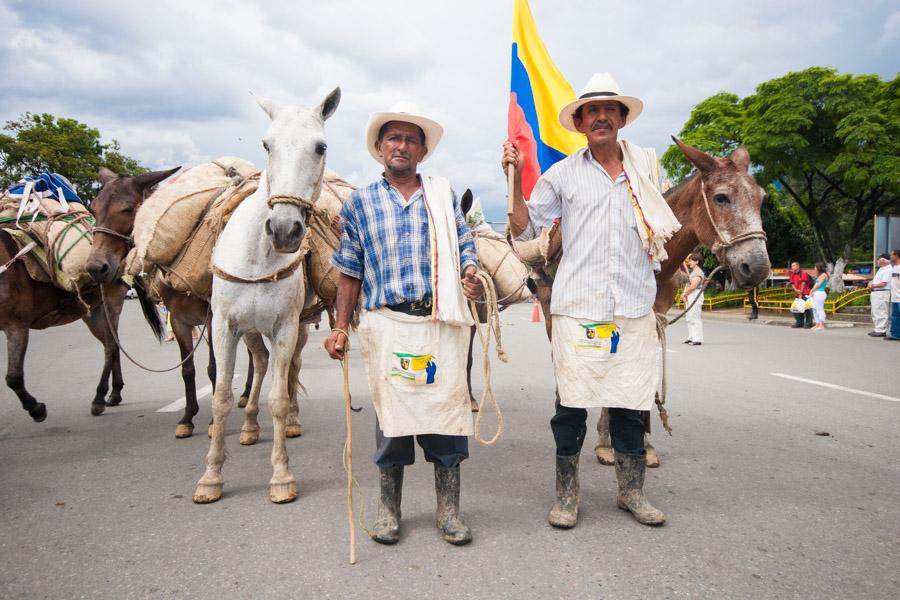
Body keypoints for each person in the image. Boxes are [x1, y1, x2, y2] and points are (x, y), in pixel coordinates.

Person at [503, 73, 681, 528]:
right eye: (591, 111)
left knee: (629, 405)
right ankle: (567, 495)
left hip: (634, 307)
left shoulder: (646, 172)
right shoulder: (562, 174)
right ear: (580, 123)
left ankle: (632, 493)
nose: (601, 117)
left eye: (610, 110)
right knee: (571, 407)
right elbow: (526, 230)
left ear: (622, 119)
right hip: (577, 308)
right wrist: (515, 174)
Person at [324, 102, 483, 546]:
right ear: (379, 148)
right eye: (394, 137)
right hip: (387, 323)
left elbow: (464, 244)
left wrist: (469, 273)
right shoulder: (359, 203)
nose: (402, 145)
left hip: (438, 320)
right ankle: (388, 510)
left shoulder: (442, 195)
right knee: (392, 422)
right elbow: (349, 269)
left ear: (423, 151)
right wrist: (339, 326)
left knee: (447, 420)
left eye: (412, 139)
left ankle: (449, 512)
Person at [681, 253, 705, 345]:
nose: (689, 262)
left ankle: (697, 339)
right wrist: (685, 294)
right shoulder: (693, 272)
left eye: (691, 260)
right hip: (690, 295)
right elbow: (688, 285)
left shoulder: (698, 273)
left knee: (695, 317)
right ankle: (691, 337)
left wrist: (684, 294)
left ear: (697, 262)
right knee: (689, 317)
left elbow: (693, 287)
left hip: (695, 295)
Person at [867, 254, 892, 337]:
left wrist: (873, 285)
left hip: (882, 292)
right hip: (876, 292)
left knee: (881, 311)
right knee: (875, 311)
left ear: (883, 260)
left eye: (879, 259)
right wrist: (871, 283)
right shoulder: (881, 269)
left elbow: (884, 283)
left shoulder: (888, 270)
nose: (877, 261)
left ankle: (881, 330)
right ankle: (877, 328)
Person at [788, 261, 814, 329]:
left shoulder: (803, 273)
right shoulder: (792, 274)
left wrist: (801, 292)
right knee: (796, 308)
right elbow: (792, 283)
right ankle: (799, 322)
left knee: (807, 308)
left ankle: (808, 323)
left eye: (793, 265)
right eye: (791, 266)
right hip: (797, 293)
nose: (792, 267)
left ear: (798, 266)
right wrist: (796, 290)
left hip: (805, 293)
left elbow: (803, 283)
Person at [809, 262, 829, 330]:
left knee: (820, 309)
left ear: (819, 267)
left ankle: (821, 325)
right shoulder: (820, 275)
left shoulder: (823, 275)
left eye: (815, 267)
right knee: (815, 309)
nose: (814, 268)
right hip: (816, 293)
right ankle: (817, 324)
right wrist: (813, 292)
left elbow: (819, 284)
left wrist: (812, 290)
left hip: (820, 293)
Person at [886, 249, 900, 342]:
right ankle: (895, 334)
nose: (890, 256)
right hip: (895, 296)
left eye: (891, 255)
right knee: (895, 316)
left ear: (897, 255)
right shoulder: (894, 267)